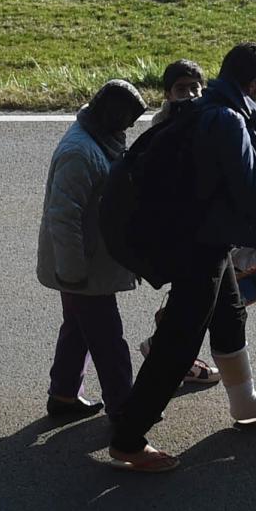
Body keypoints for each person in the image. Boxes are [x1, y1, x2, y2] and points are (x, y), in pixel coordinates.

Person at [108, 42, 256, 473]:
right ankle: (129, 437)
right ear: (254, 84)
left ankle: (244, 400)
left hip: (200, 237)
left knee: (230, 314)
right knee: (179, 340)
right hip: (199, 244)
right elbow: (253, 187)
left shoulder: (206, 107)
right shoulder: (227, 119)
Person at [37, 79, 149, 420]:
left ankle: (64, 394)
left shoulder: (98, 139)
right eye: (129, 118)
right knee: (110, 342)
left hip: (86, 263)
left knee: (77, 328)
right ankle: (124, 410)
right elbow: (63, 217)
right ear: (113, 114)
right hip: (82, 267)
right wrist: (73, 274)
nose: (130, 126)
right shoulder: (80, 153)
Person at [149, 60, 221, 393]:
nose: (191, 94)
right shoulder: (164, 127)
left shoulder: (204, 117)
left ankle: (166, 349)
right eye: (182, 89)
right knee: (195, 306)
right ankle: (167, 357)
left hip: (199, 227)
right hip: (180, 232)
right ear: (167, 94)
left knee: (198, 303)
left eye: (196, 87)